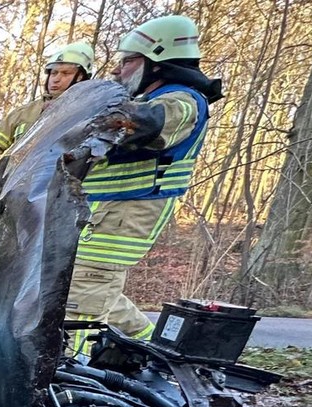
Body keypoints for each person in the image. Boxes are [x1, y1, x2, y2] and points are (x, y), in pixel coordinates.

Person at [70, 15, 222, 350]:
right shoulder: (148, 99)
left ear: (156, 62)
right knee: (98, 288)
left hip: (123, 221)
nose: (117, 71)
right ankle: (158, 349)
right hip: (104, 215)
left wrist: (101, 111)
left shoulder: (183, 100)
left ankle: (64, 378)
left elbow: (150, 123)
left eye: (126, 62)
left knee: (80, 302)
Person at [0, 42, 94, 177]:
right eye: (53, 73)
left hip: (57, 188)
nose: (56, 79)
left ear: (81, 76)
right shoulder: (24, 112)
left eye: (65, 73)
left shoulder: (89, 112)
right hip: (14, 188)